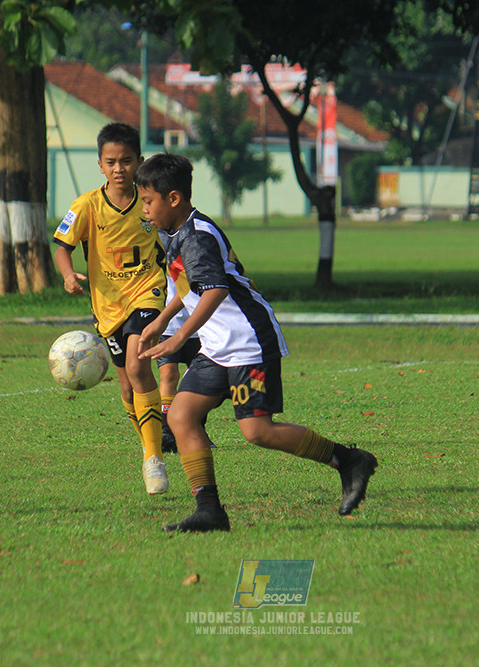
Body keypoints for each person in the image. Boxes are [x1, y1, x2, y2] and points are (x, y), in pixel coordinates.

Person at [135, 153, 378, 533]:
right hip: (217, 346)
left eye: (148, 201)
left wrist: (179, 337)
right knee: (181, 417)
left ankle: (348, 460)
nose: (144, 209)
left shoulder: (196, 237)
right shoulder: (177, 232)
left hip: (248, 341)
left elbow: (214, 291)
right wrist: (162, 321)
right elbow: (189, 287)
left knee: (257, 431)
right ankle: (209, 510)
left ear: (174, 199)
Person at [52, 122, 169, 495]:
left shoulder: (152, 203)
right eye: (111, 162)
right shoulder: (87, 206)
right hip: (108, 305)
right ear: (100, 165)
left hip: (147, 292)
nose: (119, 168)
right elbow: (62, 248)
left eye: (126, 161)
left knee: (138, 364)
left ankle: (153, 459)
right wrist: (69, 275)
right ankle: (149, 444)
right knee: (125, 385)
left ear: (140, 161)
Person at [155, 273, 216, 453]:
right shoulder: (159, 250)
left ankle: (197, 431)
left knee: (197, 380)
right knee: (169, 374)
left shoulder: (196, 249)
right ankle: (166, 433)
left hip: (199, 325)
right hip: (168, 327)